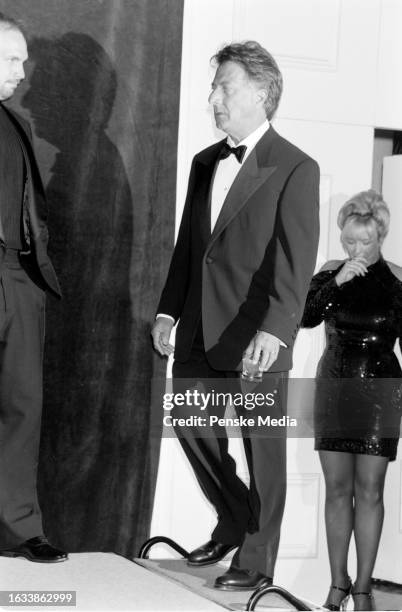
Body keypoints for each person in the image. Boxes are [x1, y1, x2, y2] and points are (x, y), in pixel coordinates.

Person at [151, 41, 320, 590]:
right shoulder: (206, 162)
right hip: (199, 327)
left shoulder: (296, 166)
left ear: (262, 93)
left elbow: (297, 258)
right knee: (194, 428)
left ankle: (256, 559)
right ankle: (234, 519)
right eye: (213, 86)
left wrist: (276, 328)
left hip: (257, 336)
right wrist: (167, 312)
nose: (213, 97)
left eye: (225, 86)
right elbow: (188, 247)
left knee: (261, 453)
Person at [302, 189, 402, 611]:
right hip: (335, 390)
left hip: (381, 394)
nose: (356, 249)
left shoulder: (398, 278)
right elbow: (305, 317)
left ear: (380, 235)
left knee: (371, 490)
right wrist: (338, 280)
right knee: (337, 489)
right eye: (349, 241)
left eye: (365, 242)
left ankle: (362, 590)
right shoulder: (330, 271)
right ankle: (337, 582)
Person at [0, 13, 67, 563]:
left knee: (23, 405)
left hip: (18, 281)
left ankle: (18, 529)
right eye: (12, 58)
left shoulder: (14, 124)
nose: (22, 73)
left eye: (22, 59)